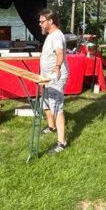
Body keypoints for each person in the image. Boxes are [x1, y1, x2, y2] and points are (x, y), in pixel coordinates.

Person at [38, 8, 68, 154]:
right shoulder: (50, 35)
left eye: (42, 21)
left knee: (56, 108)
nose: (40, 24)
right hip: (46, 77)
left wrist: (57, 67)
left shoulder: (56, 36)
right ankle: (51, 126)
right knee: (44, 102)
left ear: (50, 21)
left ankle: (62, 142)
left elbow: (60, 53)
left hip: (56, 77)